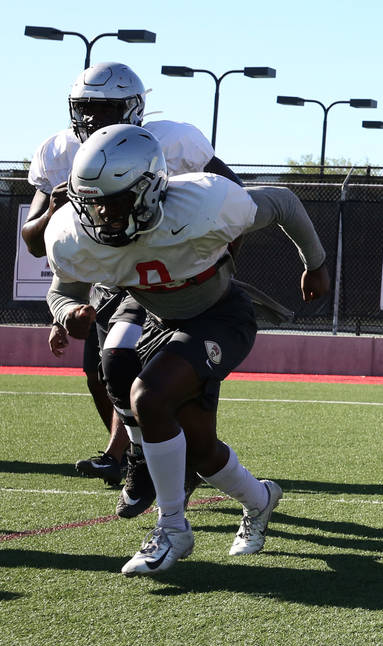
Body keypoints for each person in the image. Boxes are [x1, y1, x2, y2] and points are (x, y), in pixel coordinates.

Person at [45, 124, 330, 576]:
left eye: (116, 201)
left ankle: (172, 528)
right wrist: (68, 314)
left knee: (150, 395)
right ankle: (261, 499)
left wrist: (315, 265)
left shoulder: (205, 204)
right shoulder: (75, 235)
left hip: (220, 315)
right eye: (94, 203)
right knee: (198, 449)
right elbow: (61, 291)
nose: (105, 215)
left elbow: (283, 203)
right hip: (158, 317)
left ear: (150, 188)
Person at [21, 62, 241, 503]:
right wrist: (55, 211)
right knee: (106, 372)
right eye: (84, 109)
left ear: (134, 108)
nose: (92, 120)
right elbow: (32, 240)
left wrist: (212, 267)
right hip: (111, 281)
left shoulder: (173, 140)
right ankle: (137, 456)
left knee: (170, 381)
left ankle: (165, 462)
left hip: (171, 278)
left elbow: (233, 194)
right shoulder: (60, 150)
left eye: (106, 109)